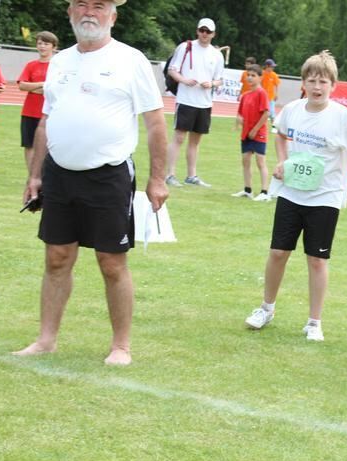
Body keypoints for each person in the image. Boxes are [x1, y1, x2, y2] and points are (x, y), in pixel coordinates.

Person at [13, 0, 168, 366]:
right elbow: (46, 121)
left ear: (113, 15)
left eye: (99, 5)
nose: (89, 12)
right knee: (56, 258)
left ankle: (121, 346)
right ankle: (46, 340)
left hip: (108, 175)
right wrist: (35, 174)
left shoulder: (131, 60)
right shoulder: (61, 61)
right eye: (81, 4)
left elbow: (156, 123)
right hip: (59, 174)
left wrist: (158, 179)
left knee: (111, 262)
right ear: (70, 13)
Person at [243, 51, 347, 342]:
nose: (317, 87)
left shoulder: (342, 117)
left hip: (324, 198)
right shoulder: (292, 110)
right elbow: (280, 134)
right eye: (312, 81)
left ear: (333, 85)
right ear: (303, 83)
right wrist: (282, 161)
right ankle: (266, 308)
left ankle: (314, 322)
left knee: (316, 260)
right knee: (278, 253)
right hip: (291, 193)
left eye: (323, 82)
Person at [164, 17, 224, 187]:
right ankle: (170, 174)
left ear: (213, 34)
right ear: (197, 31)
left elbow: (219, 79)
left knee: (195, 141)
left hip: (204, 102)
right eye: (202, 30)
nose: (204, 34)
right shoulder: (185, 47)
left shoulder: (216, 55)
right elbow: (172, 70)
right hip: (186, 99)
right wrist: (184, 80)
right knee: (179, 137)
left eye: (208, 31)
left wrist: (211, 84)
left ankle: (191, 176)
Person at [17, 31, 59, 172]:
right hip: (29, 112)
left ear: (53, 47)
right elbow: (22, 85)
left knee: (48, 145)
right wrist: (42, 84)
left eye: (46, 44)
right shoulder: (31, 65)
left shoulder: (57, 66)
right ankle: (32, 174)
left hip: (49, 113)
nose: (42, 46)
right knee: (29, 144)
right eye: (39, 43)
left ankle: (44, 174)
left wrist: (34, 87)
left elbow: (55, 88)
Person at [232, 63, 270, 201]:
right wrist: (238, 120)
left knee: (260, 162)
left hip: (258, 134)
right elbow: (240, 113)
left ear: (260, 77)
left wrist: (255, 129)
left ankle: (264, 192)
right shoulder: (245, 95)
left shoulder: (261, 93)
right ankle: (247, 190)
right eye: (248, 75)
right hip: (246, 134)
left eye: (253, 75)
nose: (249, 78)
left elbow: (266, 113)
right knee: (246, 161)